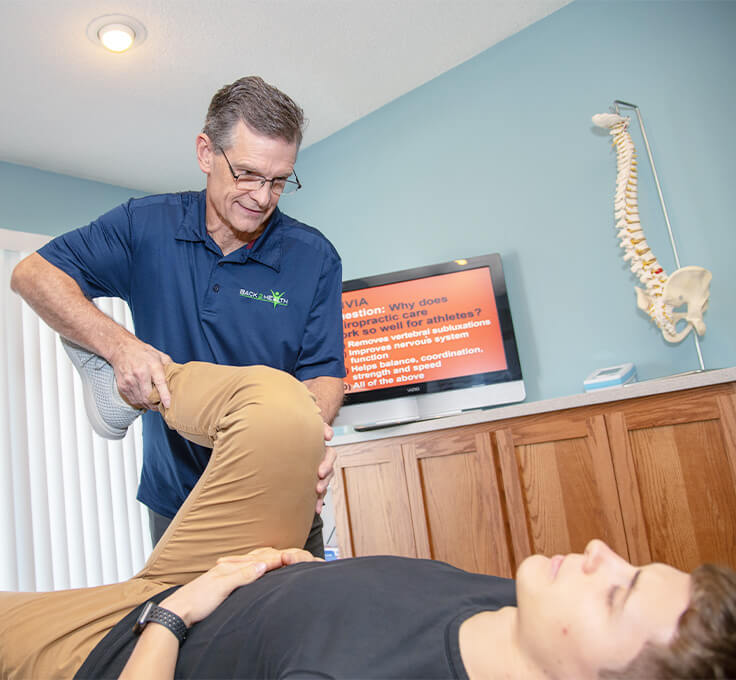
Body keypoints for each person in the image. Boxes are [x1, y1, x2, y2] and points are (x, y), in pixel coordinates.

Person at [1, 347, 734, 679]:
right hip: (247, 565)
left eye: (615, 591)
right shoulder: (533, 604)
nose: (604, 550)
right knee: (283, 411)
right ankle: (130, 382)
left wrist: (172, 617)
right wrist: (309, 574)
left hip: (127, 642)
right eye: (635, 565)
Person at [9, 75, 345, 556]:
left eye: (278, 181)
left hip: (277, 494)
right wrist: (122, 348)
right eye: (247, 174)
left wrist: (306, 435)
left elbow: (324, 372)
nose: (262, 197)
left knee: (293, 628)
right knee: (184, 628)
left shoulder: (314, 257)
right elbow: (33, 275)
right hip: (179, 501)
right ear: (206, 153)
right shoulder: (145, 226)